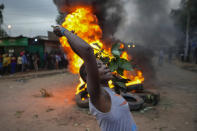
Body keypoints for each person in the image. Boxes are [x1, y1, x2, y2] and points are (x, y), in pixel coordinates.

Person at [53, 26, 137, 131]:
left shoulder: (108, 90)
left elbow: (84, 55)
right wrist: (64, 31)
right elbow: (87, 52)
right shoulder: (98, 94)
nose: (105, 66)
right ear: (89, 77)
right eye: (98, 66)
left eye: (103, 64)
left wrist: (70, 38)